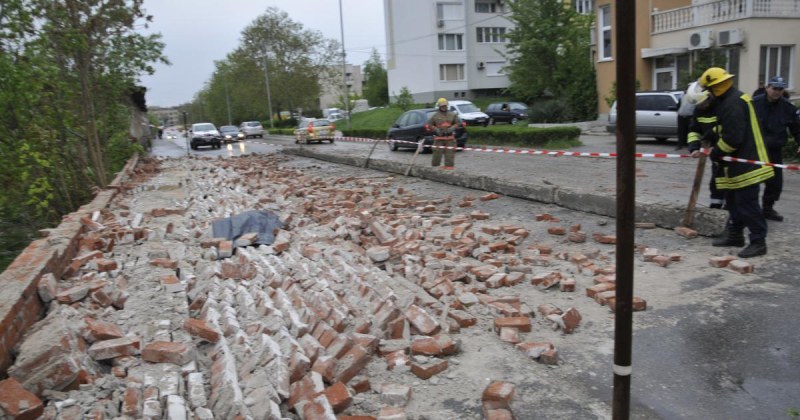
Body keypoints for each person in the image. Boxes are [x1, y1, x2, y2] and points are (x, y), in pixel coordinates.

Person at [698, 67, 774, 258]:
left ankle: (758, 242)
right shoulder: (730, 100)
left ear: (715, 88)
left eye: (708, 90)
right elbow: (724, 129)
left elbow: (733, 138)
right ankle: (735, 235)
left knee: (747, 204)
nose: (707, 94)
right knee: (733, 202)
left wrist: (716, 153)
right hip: (737, 164)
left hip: (746, 163)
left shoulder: (731, 104)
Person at [751, 76, 800, 222]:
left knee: (775, 183)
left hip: (774, 150)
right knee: (751, 181)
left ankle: (767, 208)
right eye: (774, 88)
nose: (777, 92)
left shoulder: (788, 108)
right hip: (754, 149)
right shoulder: (754, 104)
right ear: (767, 88)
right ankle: (749, 209)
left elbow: (796, 129)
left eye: (780, 89)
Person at [685, 81, 726, 209]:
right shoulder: (698, 111)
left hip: (728, 149)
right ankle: (716, 204)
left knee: (731, 181)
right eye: (698, 104)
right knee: (716, 179)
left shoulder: (723, 107)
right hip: (715, 152)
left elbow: (730, 131)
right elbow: (694, 130)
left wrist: (718, 147)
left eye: (702, 103)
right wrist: (694, 148)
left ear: (709, 96)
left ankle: (731, 207)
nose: (701, 106)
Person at [428, 97, 460, 169]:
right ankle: (434, 170)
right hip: (439, 139)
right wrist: (436, 129)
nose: (443, 107)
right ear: (439, 106)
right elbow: (429, 124)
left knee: (450, 156)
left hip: (450, 139)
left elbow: (458, 123)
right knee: (436, 156)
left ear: (447, 105)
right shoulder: (435, 116)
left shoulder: (452, 115)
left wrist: (452, 128)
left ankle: (449, 171)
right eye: (442, 106)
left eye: (445, 105)